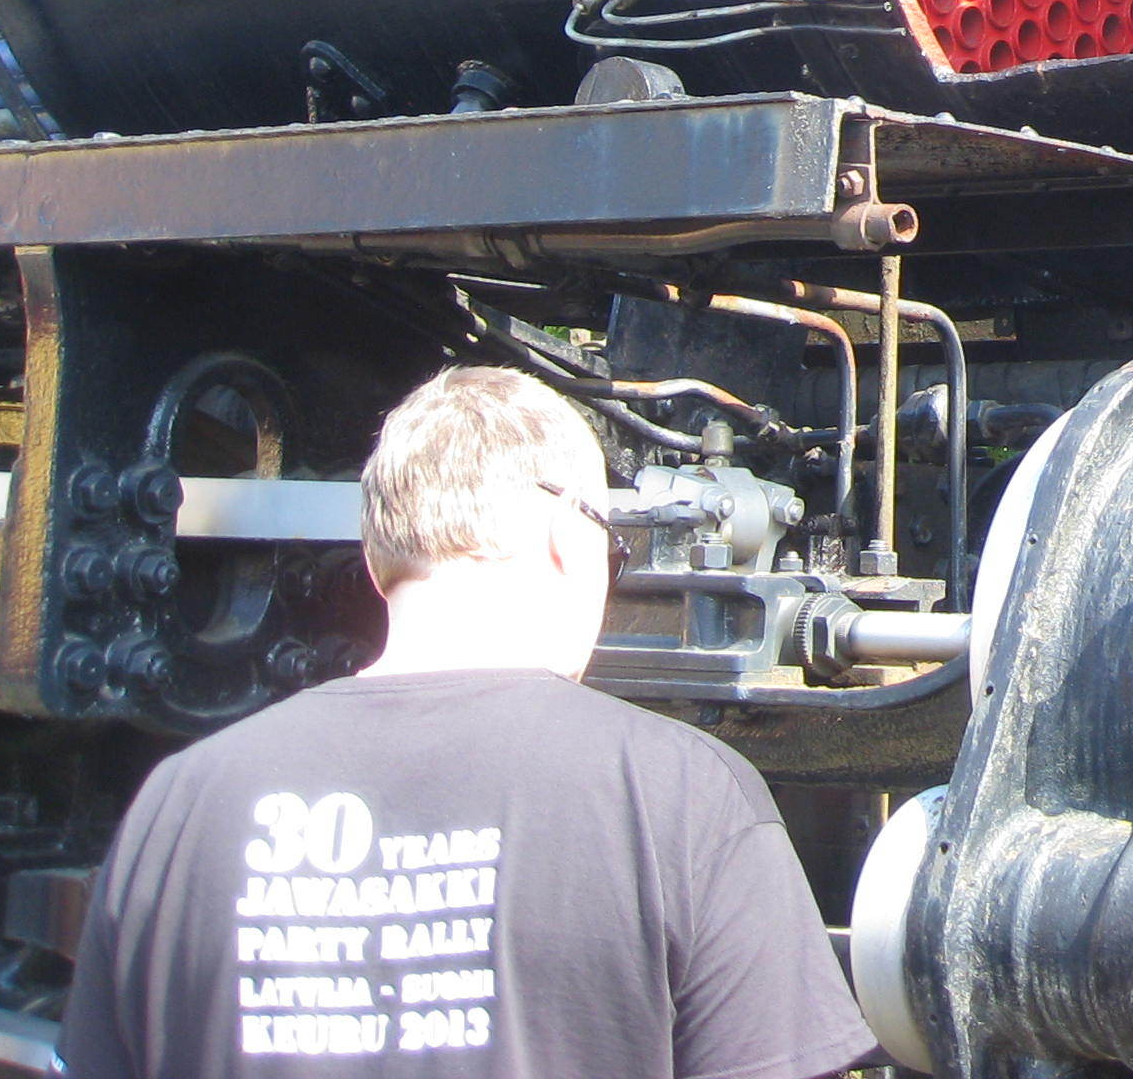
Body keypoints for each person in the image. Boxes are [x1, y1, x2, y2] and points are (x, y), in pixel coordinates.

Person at [59, 366, 875, 1079]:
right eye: (611, 554)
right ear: (564, 536)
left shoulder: (180, 806)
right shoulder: (686, 797)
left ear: (378, 561)